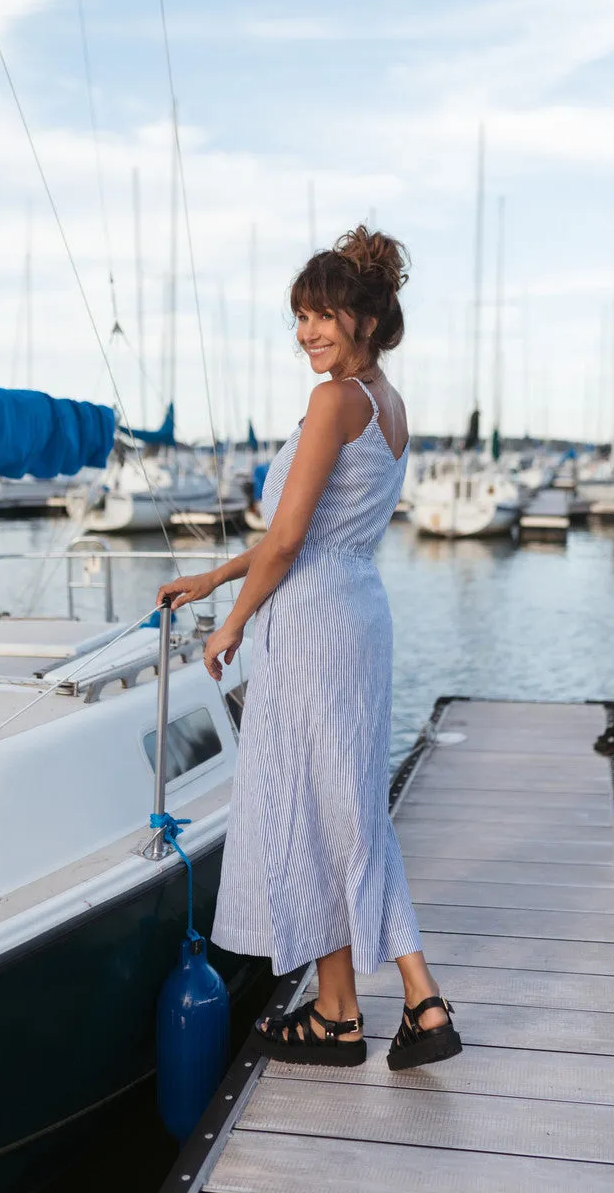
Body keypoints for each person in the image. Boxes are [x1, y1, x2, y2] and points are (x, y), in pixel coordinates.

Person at [156, 226, 461, 1071]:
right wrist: (216, 579)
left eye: (323, 315)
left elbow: (289, 541)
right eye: (298, 317)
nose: (307, 332)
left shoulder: (334, 401)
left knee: (333, 806)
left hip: (313, 615)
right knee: (337, 801)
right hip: (355, 606)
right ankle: (336, 1012)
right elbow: (309, 532)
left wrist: (233, 623)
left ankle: (421, 999)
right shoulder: (386, 405)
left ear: (365, 317)